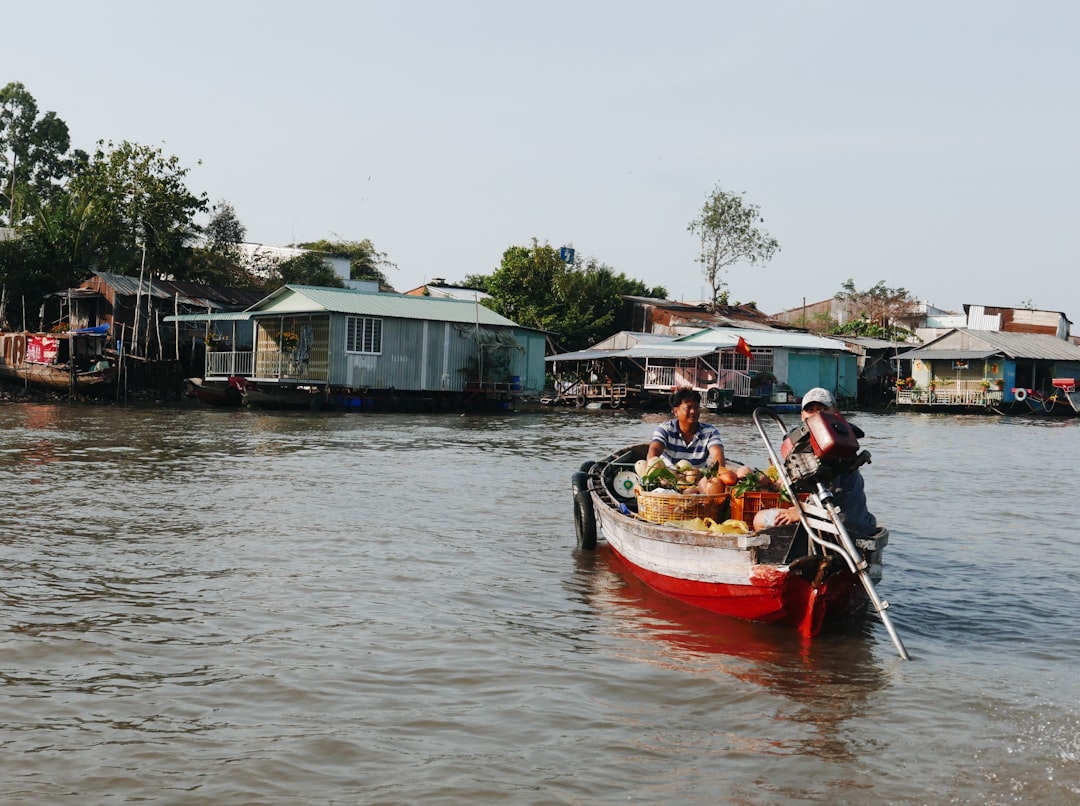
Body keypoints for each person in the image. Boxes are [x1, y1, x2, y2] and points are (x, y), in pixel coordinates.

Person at [753, 387, 877, 536]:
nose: (817, 414)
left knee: (759, 519)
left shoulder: (832, 443)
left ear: (835, 413)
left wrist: (801, 512)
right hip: (860, 522)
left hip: (835, 523)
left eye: (823, 409)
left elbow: (830, 492)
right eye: (811, 410)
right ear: (802, 416)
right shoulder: (840, 436)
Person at [647, 387, 725, 469]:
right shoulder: (665, 429)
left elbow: (717, 452)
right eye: (688, 408)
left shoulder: (710, 432)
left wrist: (720, 470)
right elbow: (654, 450)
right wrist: (653, 469)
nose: (693, 411)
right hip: (669, 476)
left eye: (696, 407)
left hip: (698, 477)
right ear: (676, 411)